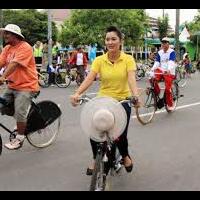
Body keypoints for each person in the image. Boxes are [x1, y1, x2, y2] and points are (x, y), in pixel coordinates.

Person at [70, 26, 139, 174]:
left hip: (122, 101)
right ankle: (96, 158)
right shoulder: (99, 60)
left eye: (114, 39)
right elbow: (89, 78)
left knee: (120, 135)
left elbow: (132, 79)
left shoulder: (128, 59)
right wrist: (77, 93)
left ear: (120, 41)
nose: (110, 42)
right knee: (94, 129)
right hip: (103, 100)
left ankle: (125, 156)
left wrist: (135, 96)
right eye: (107, 39)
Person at [0, 24, 40, 150]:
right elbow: (1, 62)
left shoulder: (25, 47)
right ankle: (21, 120)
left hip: (26, 86)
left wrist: (2, 77)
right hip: (12, 85)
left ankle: (20, 138)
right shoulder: (7, 48)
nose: (5, 35)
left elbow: (14, 64)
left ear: (16, 35)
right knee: (3, 107)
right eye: (4, 33)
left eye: (8, 33)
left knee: (20, 112)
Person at [150, 37, 176, 111]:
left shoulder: (172, 52)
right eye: (163, 43)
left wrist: (168, 70)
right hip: (161, 71)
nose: (164, 44)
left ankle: (170, 104)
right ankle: (157, 92)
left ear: (168, 44)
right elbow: (157, 62)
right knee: (152, 77)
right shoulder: (160, 52)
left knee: (168, 89)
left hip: (169, 72)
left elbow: (171, 62)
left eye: (165, 43)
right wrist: (152, 69)